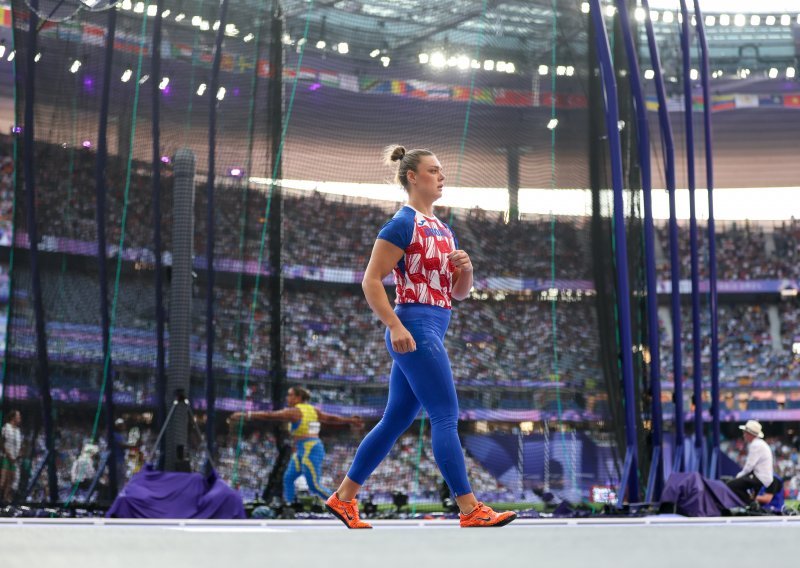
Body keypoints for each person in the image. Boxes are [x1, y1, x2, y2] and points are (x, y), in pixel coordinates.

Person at [325, 145, 517, 529]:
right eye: (433, 170)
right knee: (445, 415)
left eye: (442, 170)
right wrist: (396, 326)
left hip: (433, 322)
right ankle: (469, 509)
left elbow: (458, 294)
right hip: (414, 326)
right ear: (413, 176)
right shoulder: (401, 224)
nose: (441, 176)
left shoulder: (444, 229)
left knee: (395, 421)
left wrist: (467, 269)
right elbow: (371, 280)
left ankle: (343, 498)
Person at [229, 386, 363, 504]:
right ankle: (290, 505)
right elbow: (331, 418)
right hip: (302, 449)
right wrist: (349, 420)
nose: (288, 397)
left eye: (290, 395)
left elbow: (270, 415)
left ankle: (343, 504)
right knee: (288, 478)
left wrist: (246, 415)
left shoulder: (295, 411)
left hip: (310, 449)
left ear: (298, 397)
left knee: (314, 485)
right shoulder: (312, 410)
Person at [726, 420, 775, 504]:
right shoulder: (759, 444)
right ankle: (750, 502)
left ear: (750, 434)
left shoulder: (756, 445)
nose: (743, 435)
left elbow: (749, 467)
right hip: (761, 477)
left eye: (745, 433)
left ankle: (749, 503)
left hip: (760, 478)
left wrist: (738, 476)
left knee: (731, 485)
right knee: (736, 484)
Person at [0, 410, 22, 503]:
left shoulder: (18, 431)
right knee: (3, 480)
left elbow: (19, 445)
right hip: (6, 457)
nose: (20, 419)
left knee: (10, 481)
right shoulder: (6, 427)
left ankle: (5, 500)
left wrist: (19, 454)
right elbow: (1, 442)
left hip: (15, 459)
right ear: (13, 418)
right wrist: (8, 454)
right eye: (18, 416)